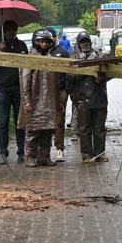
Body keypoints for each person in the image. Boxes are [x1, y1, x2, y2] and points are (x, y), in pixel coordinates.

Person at [20, 29, 65, 167]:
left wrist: (59, 102)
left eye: (46, 41)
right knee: (33, 130)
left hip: (50, 101)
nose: (44, 44)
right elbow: (25, 81)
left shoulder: (52, 59)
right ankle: (30, 157)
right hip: (35, 100)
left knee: (48, 130)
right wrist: (27, 101)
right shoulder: (30, 58)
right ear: (37, 42)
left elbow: (57, 83)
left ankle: (44, 157)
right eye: (42, 41)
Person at [68, 32, 110, 162]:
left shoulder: (99, 55)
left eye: (87, 41)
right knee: (84, 128)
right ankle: (86, 155)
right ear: (78, 44)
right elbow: (69, 77)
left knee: (100, 128)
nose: (85, 44)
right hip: (82, 98)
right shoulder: (73, 57)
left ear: (91, 43)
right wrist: (84, 69)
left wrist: (102, 78)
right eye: (82, 42)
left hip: (99, 97)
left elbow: (110, 73)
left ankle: (100, 154)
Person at [0, 20, 28, 163]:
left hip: (18, 88)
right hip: (3, 88)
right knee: (3, 122)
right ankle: (3, 152)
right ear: (4, 30)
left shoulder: (22, 45)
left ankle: (21, 151)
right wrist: (0, 52)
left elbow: (27, 67)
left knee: (19, 121)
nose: (11, 32)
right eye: (8, 29)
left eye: (13, 29)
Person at [47, 28, 71, 161]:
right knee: (44, 118)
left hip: (60, 90)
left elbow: (68, 72)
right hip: (45, 91)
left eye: (50, 38)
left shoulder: (62, 52)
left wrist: (66, 90)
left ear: (56, 38)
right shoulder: (40, 52)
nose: (48, 41)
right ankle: (43, 149)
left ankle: (59, 148)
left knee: (59, 119)